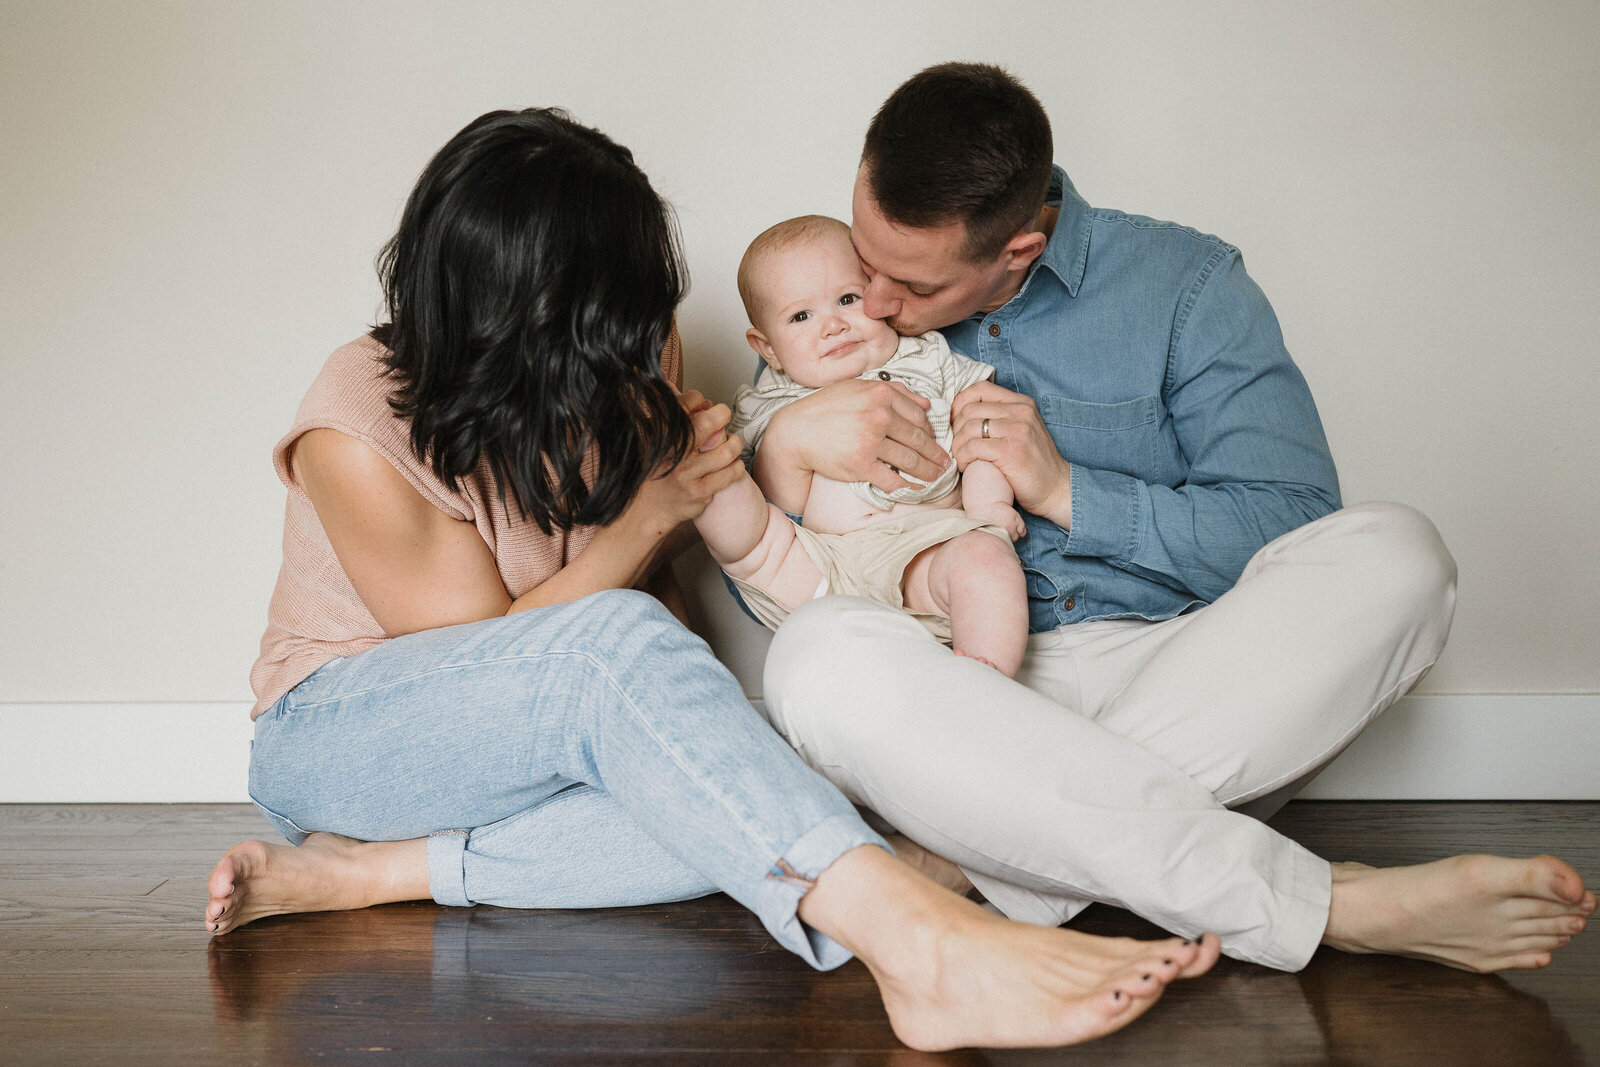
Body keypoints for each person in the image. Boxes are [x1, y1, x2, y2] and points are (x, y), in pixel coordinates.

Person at [203, 106, 1223, 1053]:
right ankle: (922, 943)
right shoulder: (357, 420)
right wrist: (653, 514)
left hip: (540, 735)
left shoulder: (618, 371)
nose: (644, 343)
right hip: (349, 734)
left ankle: (369, 871)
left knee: (773, 787)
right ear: (530, 316)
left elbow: (655, 626)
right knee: (699, 742)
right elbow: (496, 652)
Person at [752, 63, 1594, 974]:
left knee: (1401, 555)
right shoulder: (825, 306)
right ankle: (1328, 903)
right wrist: (787, 441)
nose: (871, 303)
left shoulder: (1188, 283)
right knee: (814, 657)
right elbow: (777, 567)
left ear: (1017, 252)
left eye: (908, 288)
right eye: (866, 263)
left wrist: (1068, 488)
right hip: (952, 693)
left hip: (1181, 668)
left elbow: (1292, 524)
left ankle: (965, 858)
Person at [694, 214, 1027, 675]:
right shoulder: (768, 399)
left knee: (986, 560)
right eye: (801, 316)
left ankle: (984, 685)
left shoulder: (928, 358)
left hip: (926, 552)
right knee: (725, 493)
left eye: (848, 299)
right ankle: (684, 447)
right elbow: (768, 495)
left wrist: (989, 505)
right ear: (767, 349)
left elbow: (982, 430)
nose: (832, 325)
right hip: (813, 562)